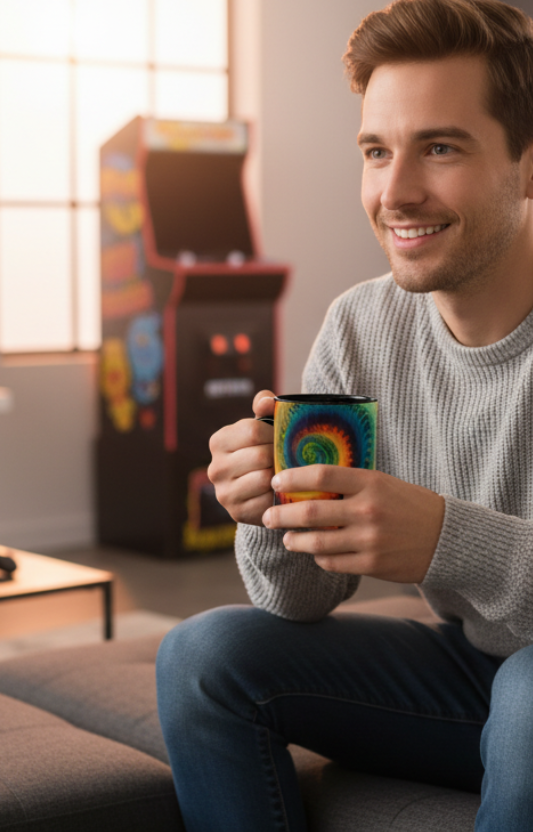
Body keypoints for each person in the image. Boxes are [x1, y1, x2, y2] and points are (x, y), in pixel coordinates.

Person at [155, 0, 533, 829]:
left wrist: (444, 539)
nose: (395, 193)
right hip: (476, 673)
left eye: (440, 148)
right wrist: (269, 508)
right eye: (376, 151)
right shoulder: (362, 325)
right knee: (201, 656)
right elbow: (301, 600)